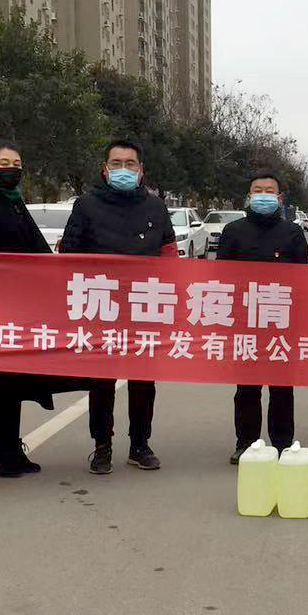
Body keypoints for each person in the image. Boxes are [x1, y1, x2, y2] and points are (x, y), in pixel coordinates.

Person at [0, 142, 84, 476]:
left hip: (22, 308)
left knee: (14, 382)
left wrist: (56, 273)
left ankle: (10, 448)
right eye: (4, 162)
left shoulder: (14, 202)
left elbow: (34, 248)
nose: (12, 168)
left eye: (17, 162)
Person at [61, 139, 177, 475]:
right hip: (101, 306)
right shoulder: (86, 205)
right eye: (116, 164)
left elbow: (169, 252)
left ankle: (140, 445)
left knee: (144, 381)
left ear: (141, 170)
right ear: (104, 169)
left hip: (145, 305)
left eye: (130, 164)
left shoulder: (155, 207)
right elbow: (69, 255)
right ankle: (102, 447)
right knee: (101, 381)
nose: (123, 170)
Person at [217, 170, 308, 463]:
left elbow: (307, 276)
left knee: (282, 387)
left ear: (280, 198)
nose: (263, 195)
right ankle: (246, 443)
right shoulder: (233, 231)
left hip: (282, 322)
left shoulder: (292, 232)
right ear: (248, 196)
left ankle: (282, 443)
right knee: (247, 387)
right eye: (257, 190)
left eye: (269, 191)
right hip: (245, 322)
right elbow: (220, 277)